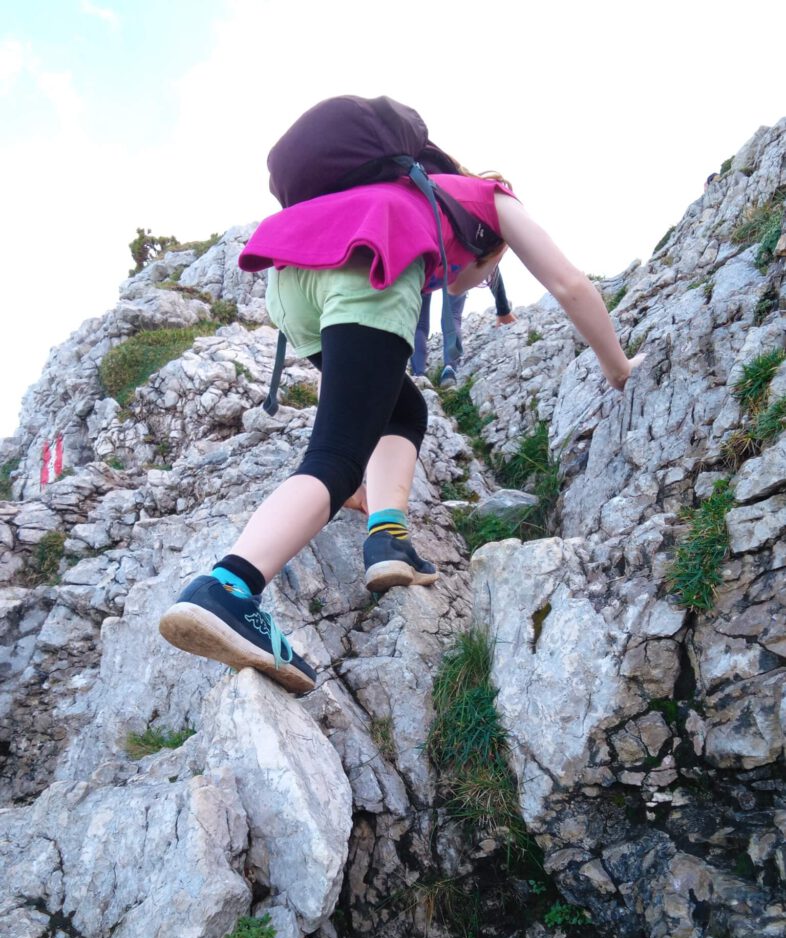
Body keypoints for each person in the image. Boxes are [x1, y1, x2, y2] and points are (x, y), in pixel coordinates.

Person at [159, 122, 645, 695]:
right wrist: (617, 368)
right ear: (489, 247)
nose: (471, 284)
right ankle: (228, 587)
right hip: (365, 266)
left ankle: (385, 536)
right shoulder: (490, 197)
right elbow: (569, 284)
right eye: (488, 271)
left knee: (401, 410)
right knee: (336, 456)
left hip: (291, 283)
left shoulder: (403, 188)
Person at [413, 268, 517, 385]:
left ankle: (418, 375)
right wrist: (503, 308)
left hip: (425, 260)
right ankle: (449, 370)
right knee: (453, 315)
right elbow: (491, 261)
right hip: (457, 261)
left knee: (419, 323)